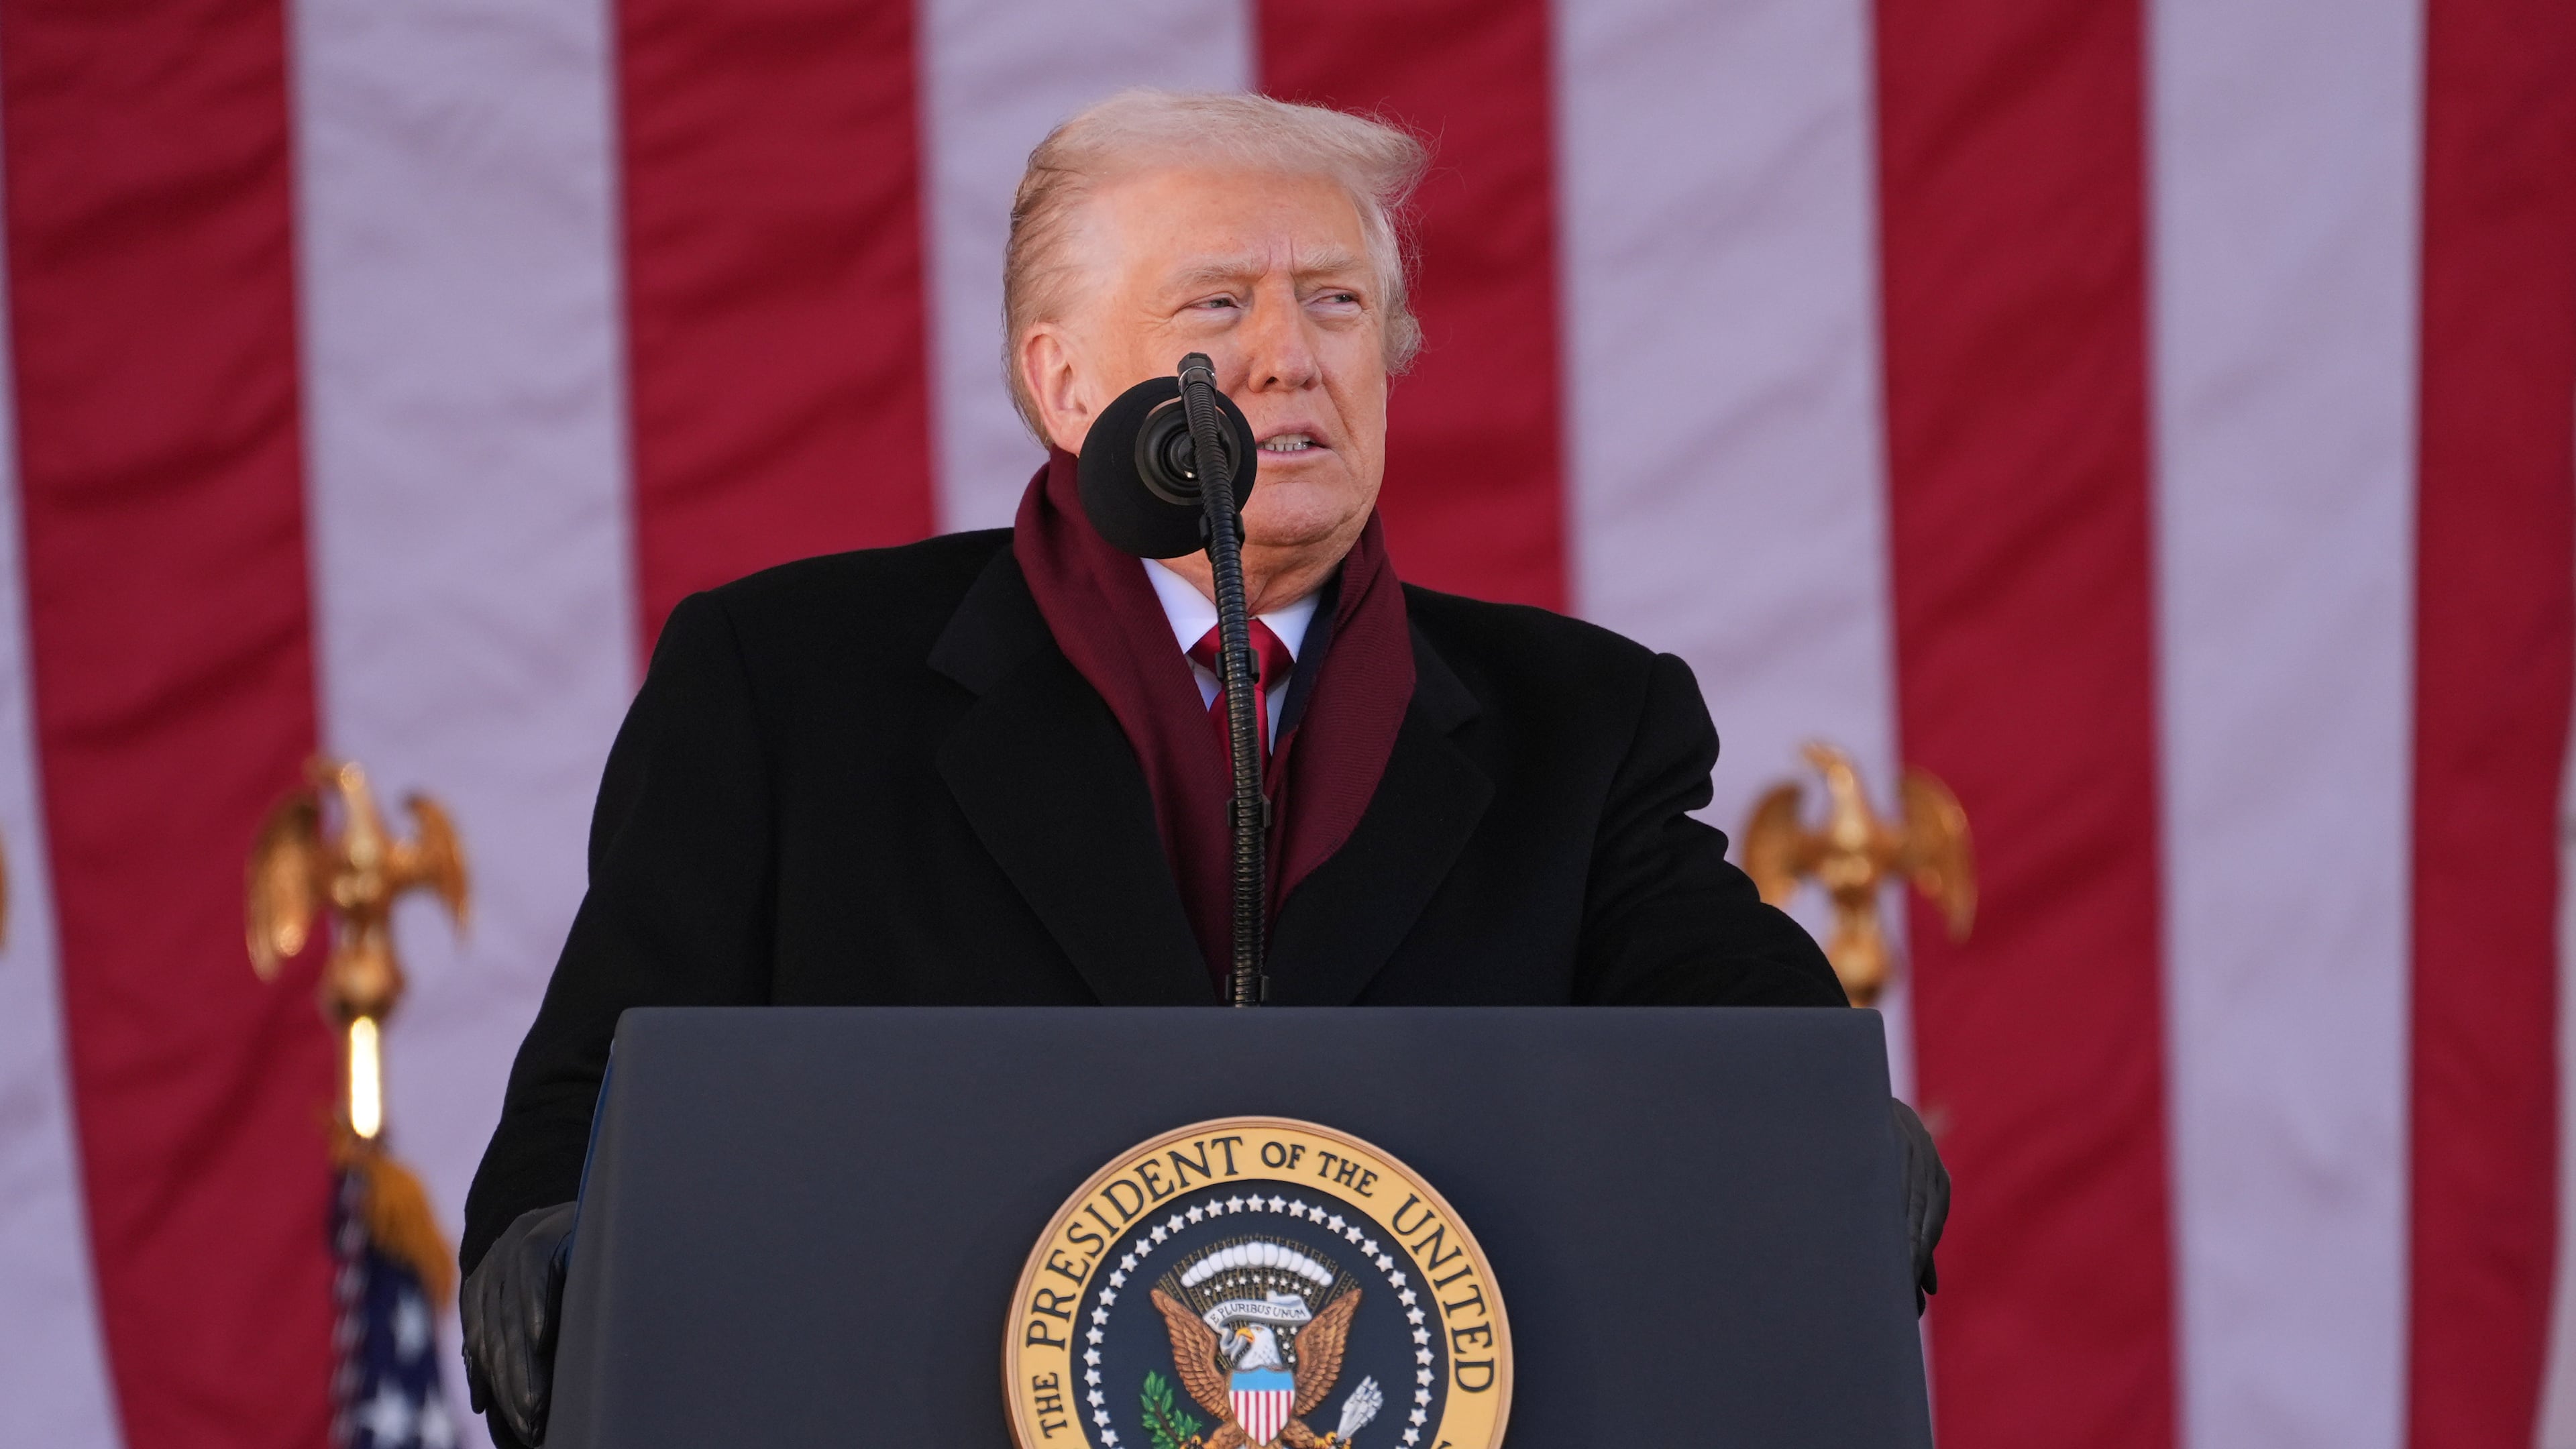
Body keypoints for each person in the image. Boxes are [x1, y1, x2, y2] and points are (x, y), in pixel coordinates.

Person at [458, 89, 1947, 1446]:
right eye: (1217, 303)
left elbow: (1729, 1018)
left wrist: (1822, 1129)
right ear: (1060, 382)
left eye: (1339, 304)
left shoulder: (1582, 717)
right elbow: (606, 1080)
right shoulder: (787, 684)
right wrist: (546, 1226)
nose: (1290, 355)